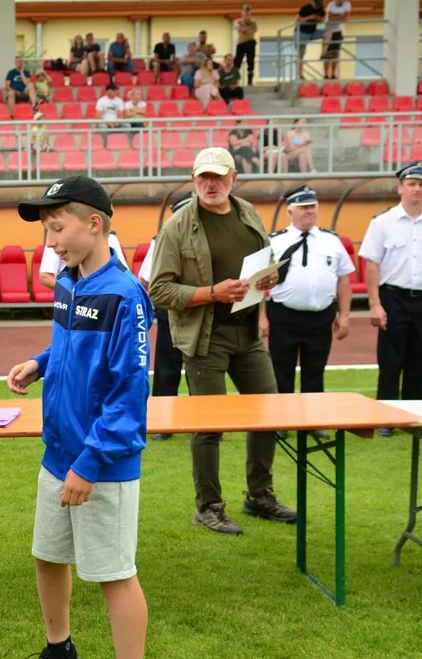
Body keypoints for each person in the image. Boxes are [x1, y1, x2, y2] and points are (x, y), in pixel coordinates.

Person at [6, 176, 155, 659]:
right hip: (58, 453)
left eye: (59, 227)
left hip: (103, 464)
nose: (52, 240)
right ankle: (60, 653)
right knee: (48, 557)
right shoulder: (69, 282)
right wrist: (41, 362)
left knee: (114, 574)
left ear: (95, 223)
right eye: (47, 229)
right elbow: (71, 347)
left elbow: (129, 392)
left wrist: (90, 464)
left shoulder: (125, 295)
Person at [148, 147, 294, 535]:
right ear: (193, 181)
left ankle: (259, 495)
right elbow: (159, 291)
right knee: (210, 424)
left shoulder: (247, 213)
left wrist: (269, 279)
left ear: (233, 179)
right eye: (202, 178)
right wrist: (212, 292)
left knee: (268, 413)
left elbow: (263, 261)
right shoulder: (177, 226)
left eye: (218, 177)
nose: (210, 184)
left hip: (247, 333)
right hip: (204, 337)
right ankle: (208, 506)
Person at [359, 161, 422, 435]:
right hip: (393, 297)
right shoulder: (382, 223)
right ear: (400, 188)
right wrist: (375, 304)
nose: (416, 189)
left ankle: (415, 416)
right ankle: (386, 419)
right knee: (390, 360)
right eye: (411, 184)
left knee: (419, 359)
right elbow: (372, 265)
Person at [260, 186, 353, 440]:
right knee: (282, 371)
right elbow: (258, 281)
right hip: (283, 316)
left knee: (315, 370)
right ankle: (282, 421)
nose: (308, 212)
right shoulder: (274, 241)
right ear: (290, 211)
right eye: (302, 207)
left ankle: (313, 421)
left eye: (312, 207)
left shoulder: (331, 241)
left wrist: (344, 315)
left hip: (320, 316)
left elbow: (344, 279)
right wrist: (262, 317)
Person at [138, 195, 193, 442]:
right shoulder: (161, 240)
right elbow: (145, 280)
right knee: (167, 367)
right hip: (171, 312)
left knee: (201, 368)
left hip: (202, 312)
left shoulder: (210, 240)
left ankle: (205, 421)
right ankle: (162, 422)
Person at [39, 229, 128, 290]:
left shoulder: (110, 238)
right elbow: (45, 276)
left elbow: (124, 275)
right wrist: (75, 292)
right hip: (71, 303)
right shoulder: (56, 239)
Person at [321, 0, 351, 79]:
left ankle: (333, 74)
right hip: (327, 30)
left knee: (335, 53)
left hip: (337, 31)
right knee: (327, 54)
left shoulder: (347, 4)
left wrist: (336, 16)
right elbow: (330, 18)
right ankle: (326, 75)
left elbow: (346, 18)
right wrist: (341, 15)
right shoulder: (331, 4)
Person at [296, 0, 325, 79]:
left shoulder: (321, 9)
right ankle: (300, 74)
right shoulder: (306, 8)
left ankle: (324, 53)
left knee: (328, 33)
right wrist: (309, 18)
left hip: (313, 31)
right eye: (316, 5)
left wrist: (318, 18)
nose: (317, 7)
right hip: (302, 32)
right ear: (313, 3)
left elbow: (323, 20)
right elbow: (298, 20)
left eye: (319, 6)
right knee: (301, 54)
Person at [235, 4, 259, 86]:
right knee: (237, 63)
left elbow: (253, 30)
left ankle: (250, 81)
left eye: (248, 10)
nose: (246, 12)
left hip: (250, 43)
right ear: (242, 12)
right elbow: (241, 30)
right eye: (245, 10)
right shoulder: (239, 21)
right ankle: (235, 81)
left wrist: (246, 29)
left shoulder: (253, 21)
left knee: (251, 63)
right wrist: (247, 29)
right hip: (241, 43)